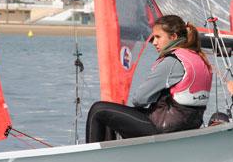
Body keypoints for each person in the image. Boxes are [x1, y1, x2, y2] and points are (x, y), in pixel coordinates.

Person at [86, 15, 212, 143]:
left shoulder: (171, 62)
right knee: (112, 114)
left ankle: (91, 159)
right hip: (187, 124)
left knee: (99, 110)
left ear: (173, 37)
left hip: (163, 128)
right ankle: (110, 157)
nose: (154, 42)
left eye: (158, 37)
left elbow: (139, 99)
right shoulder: (199, 59)